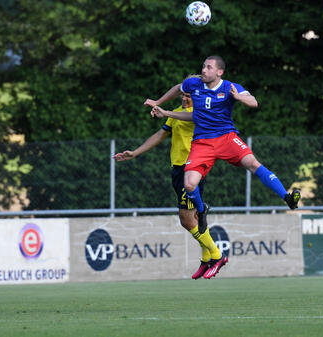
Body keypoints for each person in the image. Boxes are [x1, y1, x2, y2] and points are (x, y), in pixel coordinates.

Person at [145, 56, 301, 278]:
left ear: (219, 72)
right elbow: (177, 88)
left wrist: (240, 98)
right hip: (202, 143)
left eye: (208, 67)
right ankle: (202, 210)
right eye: (203, 66)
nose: (204, 70)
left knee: (253, 163)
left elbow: (254, 101)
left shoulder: (229, 87)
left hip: (227, 138)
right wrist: (158, 103)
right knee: (190, 185)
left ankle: (287, 196)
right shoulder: (194, 84)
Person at [113, 86, 223, 280]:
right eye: (183, 94)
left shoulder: (202, 112)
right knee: (193, 217)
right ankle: (207, 257)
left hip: (193, 169)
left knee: (186, 219)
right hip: (178, 169)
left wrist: (165, 111)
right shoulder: (177, 113)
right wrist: (135, 153)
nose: (184, 99)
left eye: (189, 96)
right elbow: (160, 135)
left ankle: (216, 254)